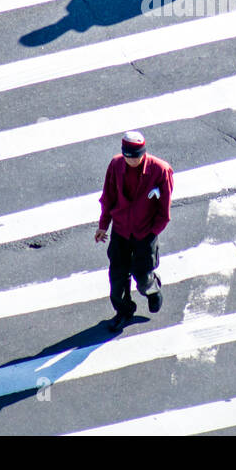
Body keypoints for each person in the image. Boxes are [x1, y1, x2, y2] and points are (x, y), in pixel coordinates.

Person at [95, 131, 174, 332]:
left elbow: (164, 212)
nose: (132, 161)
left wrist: (152, 232)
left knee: (142, 274)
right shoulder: (115, 165)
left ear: (143, 153)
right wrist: (103, 225)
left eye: (136, 156)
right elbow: (108, 197)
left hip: (144, 234)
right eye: (128, 157)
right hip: (120, 231)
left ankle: (152, 289)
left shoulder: (160, 171)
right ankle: (124, 311)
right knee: (117, 276)